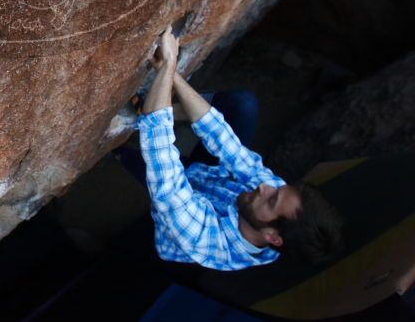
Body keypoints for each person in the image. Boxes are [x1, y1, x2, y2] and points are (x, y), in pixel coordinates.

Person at [120, 26, 342, 271]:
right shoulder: (273, 197)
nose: (265, 186)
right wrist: (171, 72)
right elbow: (227, 144)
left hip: (175, 210)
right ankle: (149, 108)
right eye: (279, 188)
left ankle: (118, 146)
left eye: (271, 200)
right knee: (241, 104)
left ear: (272, 237)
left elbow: (166, 175)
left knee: (134, 156)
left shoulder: (207, 242)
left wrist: (169, 62)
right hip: (209, 175)